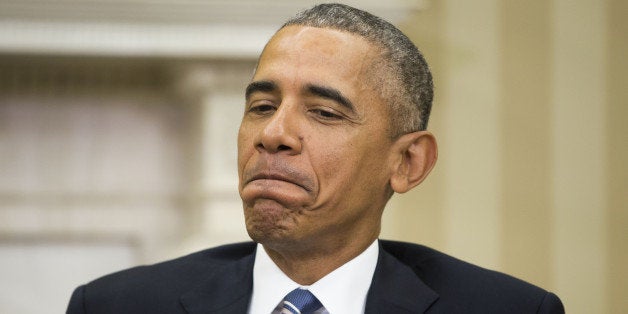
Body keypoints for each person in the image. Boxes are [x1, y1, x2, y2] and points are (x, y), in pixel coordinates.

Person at [66, 3, 564, 314]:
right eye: (261, 107)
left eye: (324, 112)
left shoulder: (508, 309)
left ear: (408, 162)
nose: (273, 134)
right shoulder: (115, 306)